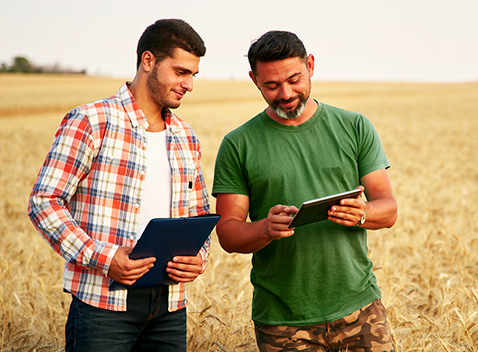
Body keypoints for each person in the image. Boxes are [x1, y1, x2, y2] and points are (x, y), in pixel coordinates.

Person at [27, 19, 210, 351]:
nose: (189, 84)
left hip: (170, 307)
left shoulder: (186, 136)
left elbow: (199, 215)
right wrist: (106, 257)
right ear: (148, 61)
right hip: (102, 308)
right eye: (181, 72)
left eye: (193, 75)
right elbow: (44, 201)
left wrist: (198, 256)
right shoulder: (91, 120)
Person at [212, 30, 398, 352]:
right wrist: (265, 228)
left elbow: (389, 208)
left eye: (294, 79)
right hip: (282, 321)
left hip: (361, 309)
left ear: (310, 65)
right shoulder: (238, 144)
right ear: (254, 80)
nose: (285, 93)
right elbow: (228, 234)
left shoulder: (354, 126)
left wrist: (363, 213)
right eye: (271, 85)